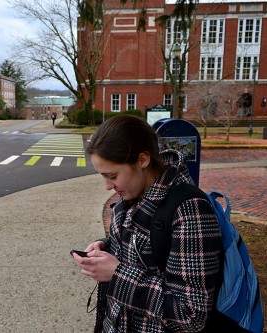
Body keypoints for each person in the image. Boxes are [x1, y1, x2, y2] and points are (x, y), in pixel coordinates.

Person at [72, 115, 222, 332]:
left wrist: (117, 275)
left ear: (142, 160)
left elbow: (192, 316)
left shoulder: (190, 211)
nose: (107, 186)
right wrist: (107, 246)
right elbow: (145, 248)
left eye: (112, 176)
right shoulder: (135, 191)